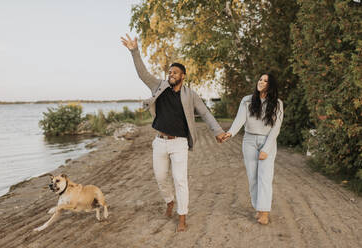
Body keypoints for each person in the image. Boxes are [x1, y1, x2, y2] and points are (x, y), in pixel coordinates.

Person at [121, 34, 226, 232]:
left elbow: (205, 113)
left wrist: (218, 131)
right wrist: (134, 51)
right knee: (161, 177)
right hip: (159, 142)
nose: (171, 74)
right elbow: (142, 73)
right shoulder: (159, 87)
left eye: (175, 72)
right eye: (170, 71)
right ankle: (169, 201)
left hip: (179, 144)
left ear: (183, 76)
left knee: (180, 179)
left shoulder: (190, 95)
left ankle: (182, 216)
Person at [222, 73, 283, 225]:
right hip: (249, 141)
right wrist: (230, 133)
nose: (261, 82)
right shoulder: (247, 100)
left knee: (265, 178)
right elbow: (239, 120)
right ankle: (259, 208)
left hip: (267, 141)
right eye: (260, 79)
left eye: (265, 81)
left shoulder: (277, 104)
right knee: (253, 178)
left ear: (271, 85)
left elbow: (276, 129)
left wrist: (266, 149)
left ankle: (265, 212)